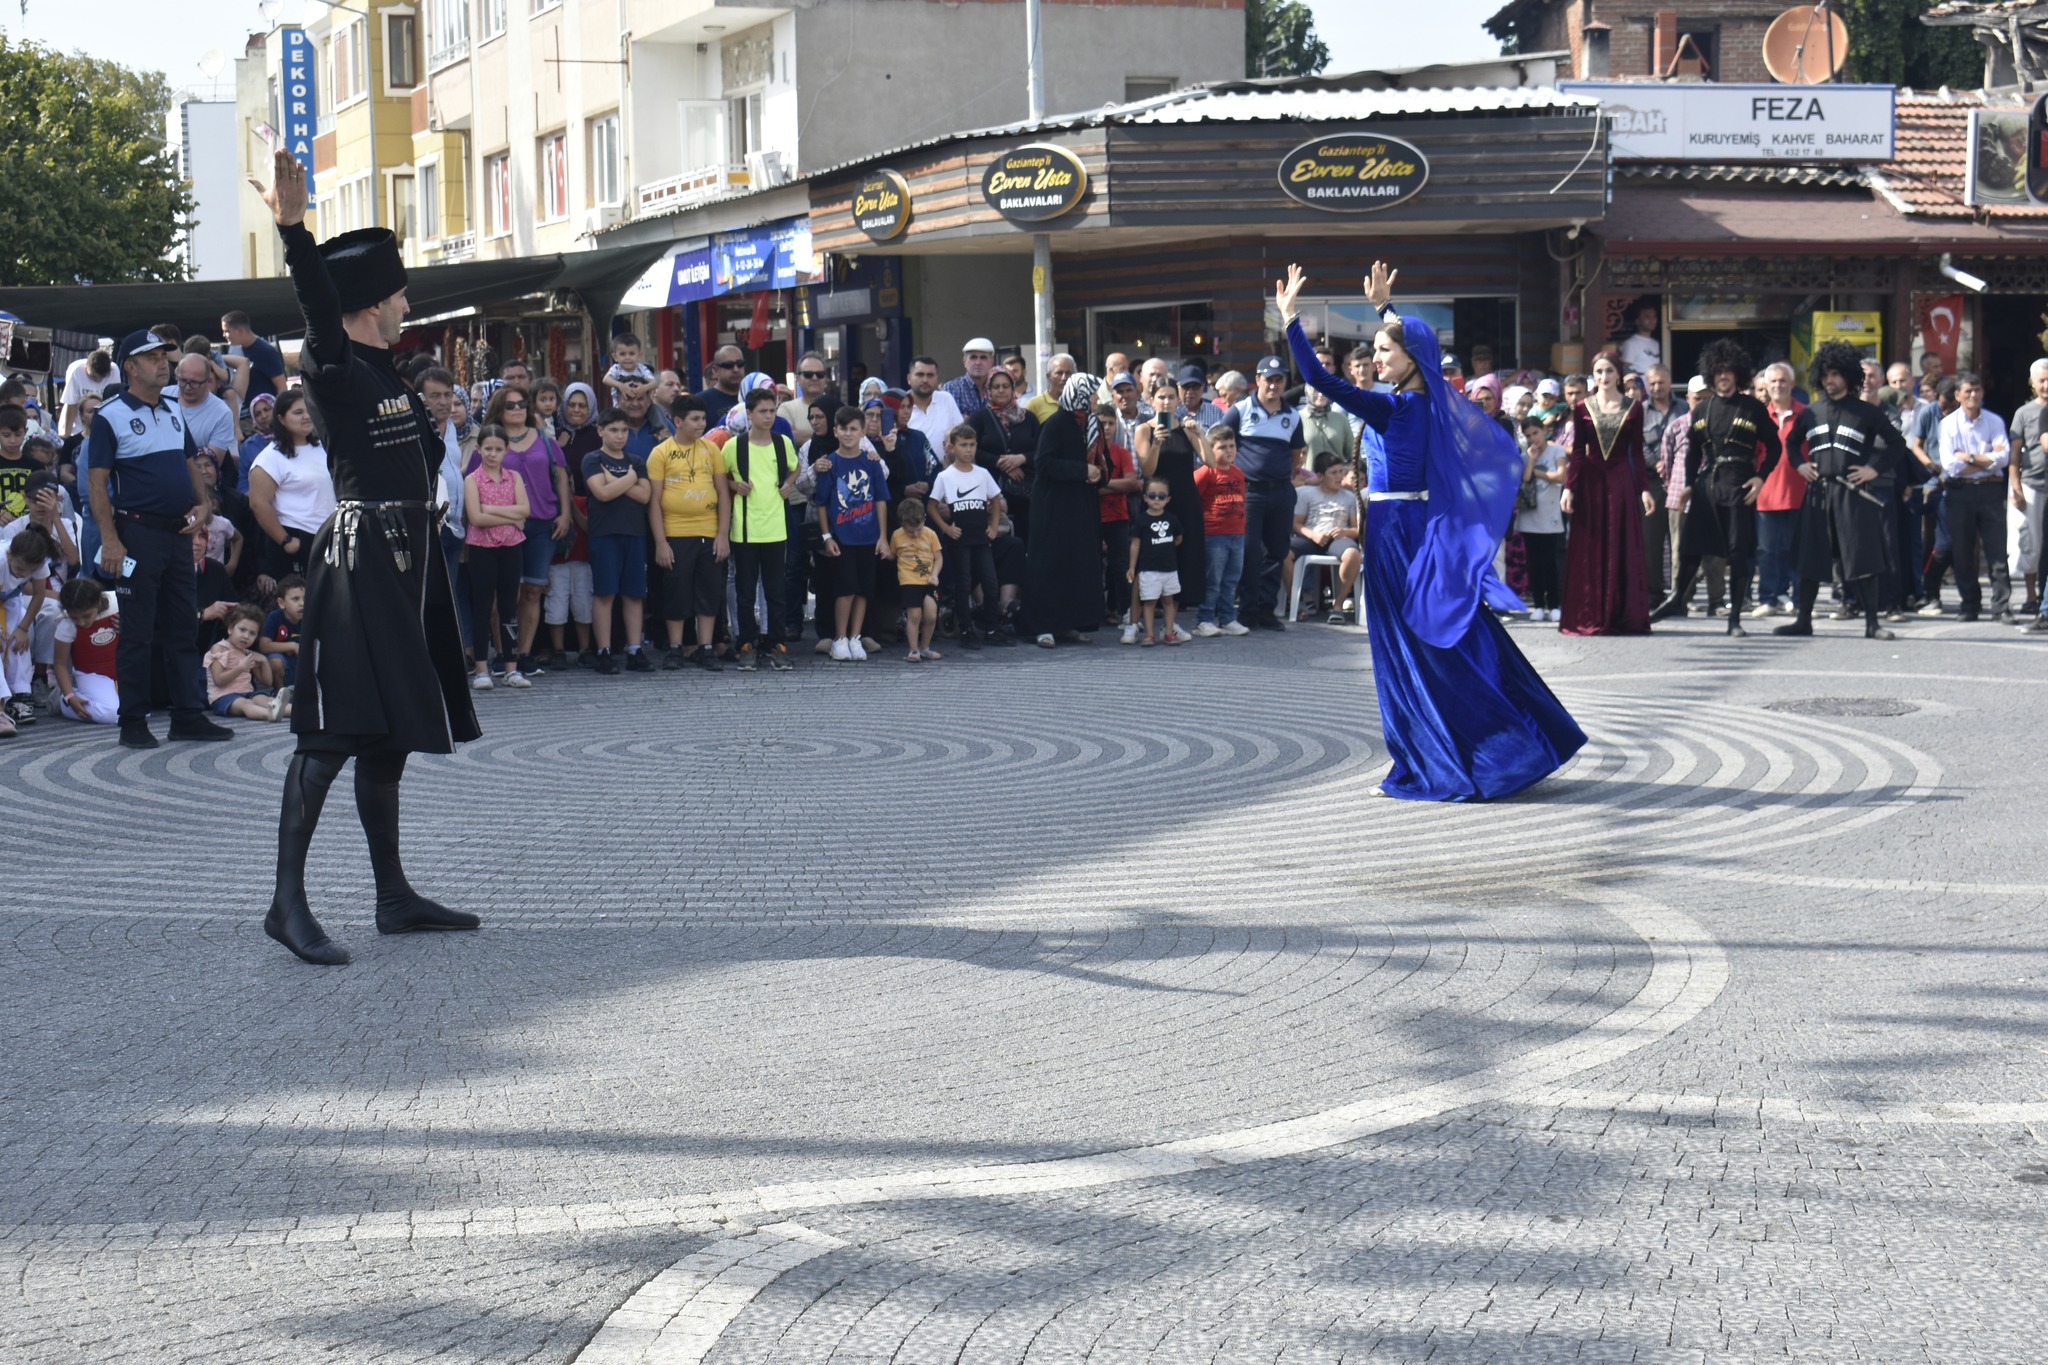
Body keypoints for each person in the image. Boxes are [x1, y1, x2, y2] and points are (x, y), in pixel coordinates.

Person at [255, 149, 480, 967]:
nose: (407, 307)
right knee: (335, 732)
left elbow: (422, 457)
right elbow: (319, 310)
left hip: (409, 563)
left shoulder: (390, 370)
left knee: (390, 735)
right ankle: (286, 905)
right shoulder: (335, 365)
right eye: (399, 297)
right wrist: (294, 231)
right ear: (371, 305)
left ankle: (393, 897)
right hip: (359, 565)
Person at [1278, 261, 1585, 801]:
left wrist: (1290, 323)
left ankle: (1434, 761)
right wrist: (1385, 309)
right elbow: (1410, 346)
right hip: (1415, 528)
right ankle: (1510, 742)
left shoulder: (1396, 409)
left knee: (1405, 650)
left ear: (1410, 358)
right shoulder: (1435, 401)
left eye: (1383, 351)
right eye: (1375, 351)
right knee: (1451, 639)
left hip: (1396, 533)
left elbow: (1321, 380)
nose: (1374, 360)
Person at [83, 329, 230, 750]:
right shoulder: (109, 415)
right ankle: (133, 720)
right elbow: (97, 484)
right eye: (151, 357)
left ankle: (187, 715)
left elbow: (189, 462)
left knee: (183, 626)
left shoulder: (172, 408)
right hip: (138, 533)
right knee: (138, 631)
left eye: (164, 355)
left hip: (177, 533)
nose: (162, 362)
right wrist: (111, 540)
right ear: (129, 367)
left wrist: (203, 503)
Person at [1771, 342, 1908, 641]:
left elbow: (1897, 444)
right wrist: (1799, 465)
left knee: (1863, 557)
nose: (1829, 380)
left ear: (1847, 375)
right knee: (1809, 557)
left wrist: (1873, 470)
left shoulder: (1867, 413)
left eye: (1835, 374)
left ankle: (1872, 624)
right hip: (1818, 494)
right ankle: (1803, 620)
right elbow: (1791, 443)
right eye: (1825, 374)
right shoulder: (1811, 412)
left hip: (1853, 494)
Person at [1652, 340, 1782, 636]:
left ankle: (1734, 618)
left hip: (1738, 484)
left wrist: (1761, 477)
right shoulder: (1702, 410)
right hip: (1706, 486)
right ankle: (1676, 599)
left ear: (1737, 374)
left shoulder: (1752, 408)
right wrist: (1688, 485)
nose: (1723, 376)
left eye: (1728, 371)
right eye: (1718, 371)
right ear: (1711, 374)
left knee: (1737, 553)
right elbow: (1692, 452)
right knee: (1690, 548)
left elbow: (1774, 447)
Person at [1558, 355, 1656, 636]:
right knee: (1591, 546)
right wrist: (1569, 487)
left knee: (1620, 543)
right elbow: (1578, 451)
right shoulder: (1582, 407)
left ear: (1618, 374)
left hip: (1621, 481)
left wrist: (1643, 489)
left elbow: (1636, 453)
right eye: (1599, 371)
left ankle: (1621, 614)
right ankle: (1589, 612)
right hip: (1591, 482)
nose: (1604, 376)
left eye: (1609, 371)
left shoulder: (1634, 408)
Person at [1221, 356, 1306, 631]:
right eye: (1269, 379)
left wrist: (1284, 478)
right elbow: (1219, 442)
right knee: (1249, 553)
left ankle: (1266, 610)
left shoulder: (1293, 415)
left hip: (1280, 491)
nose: (1273, 385)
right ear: (1257, 380)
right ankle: (1247, 610)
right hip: (1249, 492)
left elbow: (1296, 454)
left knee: (1277, 551)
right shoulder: (1240, 410)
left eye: (1279, 380)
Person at [722, 387, 803, 672]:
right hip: (744, 529)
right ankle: (746, 643)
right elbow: (719, 477)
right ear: (749, 414)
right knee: (745, 592)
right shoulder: (734, 446)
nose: (769, 416)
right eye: (763, 411)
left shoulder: (782, 442)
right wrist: (734, 484)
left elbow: (795, 468)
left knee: (776, 592)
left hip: (776, 528)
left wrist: (788, 484)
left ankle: (778, 644)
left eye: (772, 411)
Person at [646, 395, 729, 672]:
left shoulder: (712, 450)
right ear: (678, 421)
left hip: (708, 532)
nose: (701, 424)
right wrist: (660, 542)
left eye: (703, 418)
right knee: (676, 592)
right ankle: (675, 648)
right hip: (676, 533)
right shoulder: (661, 453)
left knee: (709, 592)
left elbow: (722, 493)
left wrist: (722, 535)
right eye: (695, 419)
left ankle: (705, 648)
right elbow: (654, 501)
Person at [1026, 374, 1109, 648]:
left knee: (1078, 562)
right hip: (1053, 508)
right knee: (1050, 563)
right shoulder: (1056, 424)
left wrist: (1099, 473)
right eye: (1093, 393)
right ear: (1080, 395)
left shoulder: (1091, 424)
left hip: (1082, 507)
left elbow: (1103, 462)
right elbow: (1044, 463)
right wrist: (1082, 470)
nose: (1097, 399)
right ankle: (1043, 625)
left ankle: (1070, 623)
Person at [817, 405, 893, 660]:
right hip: (842, 539)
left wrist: (883, 537)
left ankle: (855, 637)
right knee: (845, 589)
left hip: (869, 538)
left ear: (862, 432)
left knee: (864, 590)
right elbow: (821, 503)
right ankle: (839, 638)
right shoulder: (830, 464)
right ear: (835, 431)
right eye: (844, 429)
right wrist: (827, 536)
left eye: (853, 429)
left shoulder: (872, 463)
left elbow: (881, 500)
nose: (848, 433)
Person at [582, 407, 654, 672]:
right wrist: (630, 479)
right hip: (604, 534)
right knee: (605, 593)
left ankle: (635, 649)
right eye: (613, 430)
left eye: (624, 430)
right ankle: (604, 651)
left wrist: (615, 480)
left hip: (634, 533)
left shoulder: (636, 461)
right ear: (601, 431)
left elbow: (645, 496)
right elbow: (602, 493)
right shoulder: (592, 459)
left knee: (634, 594)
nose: (620, 435)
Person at [1939, 370, 2014, 623]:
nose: (1973, 395)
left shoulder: (1994, 421)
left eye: (1977, 390)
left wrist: (1969, 457)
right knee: (1962, 551)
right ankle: (1969, 604)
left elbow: (2003, 458)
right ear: (1958, 395)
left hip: (1990, 490)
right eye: (1968, 391)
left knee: (1996, 550)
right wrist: (1987, 460)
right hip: (1960, 491)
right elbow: (1950, 465)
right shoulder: (1948, 424)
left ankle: (2001, 606)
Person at [927, 424, 1007, 650]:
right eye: (963, 445)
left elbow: (996, 500)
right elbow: (931, 506)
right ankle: (965, 629)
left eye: (972, 445)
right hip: (959, 539)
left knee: (990, 583)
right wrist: (946, 528)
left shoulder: (982, 473)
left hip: (981, 538)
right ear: (952, 447)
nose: (968, 450)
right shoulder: (945, 476)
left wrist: (993, 527)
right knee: (963, 583)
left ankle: (992, 628)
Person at [463, 424, 531, 687]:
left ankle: (511, 667)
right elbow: (476, 517)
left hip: (511, 546)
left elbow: (525, 510)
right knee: (482, 606)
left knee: (508, 606)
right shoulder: (472, 480)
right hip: (482, 547)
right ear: (478, 449)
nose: (492, 454)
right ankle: (482, 669)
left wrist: (490, 509)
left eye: (498, 449)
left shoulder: (514, 477)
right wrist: (510, 516)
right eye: (488, 448)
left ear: (506, 450)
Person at [248, 391, 337, 581]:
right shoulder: (270, 458)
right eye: (298, 412)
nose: (306, 416)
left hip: (331, 536)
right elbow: (258, 503)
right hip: (298, 539)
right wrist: (285, 540)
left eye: (308, 410)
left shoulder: (322, 447)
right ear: (281, 419)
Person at [1752, 362, 1808, 617]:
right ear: (1765, 385)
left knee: (1798, 551)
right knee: (1767, 552)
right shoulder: (1758, 417)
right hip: (1766, 495)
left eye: (1783, 380)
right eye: (1773, 381)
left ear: (1792, 384)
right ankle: (1768, 599)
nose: (1778, 385)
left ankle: (1801, 601)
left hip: (1800, 493)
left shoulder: (1806, 415)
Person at [967, 366, 1039, 543]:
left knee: (1029, 539)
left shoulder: (1028, 418)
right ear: (988, 390)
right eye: (996, 386)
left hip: (1026, 492)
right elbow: (969, 449)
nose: (1001, 390)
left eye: (1005, 386)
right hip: (992, 491)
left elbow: (1041, 451)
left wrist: (1021, 458)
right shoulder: (979, 418)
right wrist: (1000, 462)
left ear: (1013, 388)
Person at [1290, 452, 1363, 625]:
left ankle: (1338, 606)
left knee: (1353, 555)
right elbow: (1295, 524)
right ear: (1320, 476)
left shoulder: (1349, 497)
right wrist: (1313, 535)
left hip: (1337, 540)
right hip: (1312, 537)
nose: (1339, 477)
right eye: (1333, 473)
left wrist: (1345, 532)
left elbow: (1357, 530)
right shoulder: (1308, 495)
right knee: (1283, 552)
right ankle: (1296, 602)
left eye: (1341, 472)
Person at [1192, 422, 1248, 637]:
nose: (1229, 450)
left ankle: (1227, 618)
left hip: (1237, 534)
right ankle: (1204, 620)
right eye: (1222, 447)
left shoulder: (1238, 473)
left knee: (1231, 580)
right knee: (1212, 580)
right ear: (1210, 449)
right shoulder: (1205, 472)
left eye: (1232, 446)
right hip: (1214, 534)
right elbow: (1193, 499)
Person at [0, 525, 54, 731]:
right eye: (21, 570)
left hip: (10, 600)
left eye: (31, 571)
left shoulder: (38, 562)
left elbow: (39, 595)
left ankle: (20, 695)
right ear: (10, 554)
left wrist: (23, 629)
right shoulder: (1, 559)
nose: (26, 574)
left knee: (17, 642)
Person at [1515, 413, 1568, 622]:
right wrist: (1531, 460)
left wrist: (1538, 472)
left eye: (1535, 433)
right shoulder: (1525, 456)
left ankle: (1554, 604)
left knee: (1550, 561)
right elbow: (1526, 478)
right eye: (1528, 435)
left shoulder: (1557, 451)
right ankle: (1538, 604)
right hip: (1530, 516)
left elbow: (1561, 476)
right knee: (1534, 562)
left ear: (1544, 431)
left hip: (1551, 515)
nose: (1533, 438)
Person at [49, 575, 118, 724]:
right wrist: (69, 696)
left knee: (142, 711)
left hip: (123, 670)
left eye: (86, 616)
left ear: (98, 602)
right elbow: (60, 663)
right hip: (91, 675)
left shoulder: (120, 604)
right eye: (75, 617)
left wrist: (130, 626)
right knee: (112, 714)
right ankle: (63, 701)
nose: (81, 622)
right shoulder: (66, 624)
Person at [203, 604, 290, 721]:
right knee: (246, 704)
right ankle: (269, 714)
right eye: (242, 630)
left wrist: (264, 661)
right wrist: (241, 668)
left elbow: (267, 682)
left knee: (265, 699)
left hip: (247, 693)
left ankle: (301, 711)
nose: (246, 636)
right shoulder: (220, 648)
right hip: (223, 697)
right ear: (230, 629)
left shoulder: (247, 653)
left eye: (252, 633)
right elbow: (218, 680)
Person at [2011, 359, 2048, 629]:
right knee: (2032, 544)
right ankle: (2033, 598)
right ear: (2033, 383)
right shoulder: (2028, 413)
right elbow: (2014, 455)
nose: (2046, 385)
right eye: (2042, 380)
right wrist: (2016, 487)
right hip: (2033, 483)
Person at [1128, 476, 1183, 646]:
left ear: (1168, 499)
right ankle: (1149, 634)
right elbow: (1135, 544)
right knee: (1149, 602)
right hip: (1149, 569)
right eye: (1152, 496)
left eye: (1161, 496)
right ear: (1145, 498)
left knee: (1168, 601)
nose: (1157, 499)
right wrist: (1132, 567)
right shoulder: (1141, 520)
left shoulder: (1172, 519)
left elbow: (1179, 538)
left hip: (1169, 569)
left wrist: (1166, 547)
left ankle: (1168, 633)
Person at [891, 495, 943, 661]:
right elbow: (893, 555)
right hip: (909, 581)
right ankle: (913, 650)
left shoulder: (930, 535)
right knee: (914, 616)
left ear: (924, 520)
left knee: (931, 615)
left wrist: (934, 574)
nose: (914, 534)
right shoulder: (897, 536)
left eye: (918, 529)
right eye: (910, 531)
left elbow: (938, 558)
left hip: (928, 581)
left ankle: (925, 647)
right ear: (902, 525)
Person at [902, 356, 966, 453]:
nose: (925, 380)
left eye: (930, 375)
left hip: (945, 462)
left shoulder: (946, 399)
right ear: (909, 378)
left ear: (937, 378)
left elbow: (960, 433)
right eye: (920, 375)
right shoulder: (900, 405)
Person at [221, 311, 288, 398]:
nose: (224, 335)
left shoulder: (265, 351)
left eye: (227, 331)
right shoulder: (234, 349)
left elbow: (281, 386)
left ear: (240, 331)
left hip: (264, 404)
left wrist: (280, 406)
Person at [260, 574, 306, 689]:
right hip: (284, 661)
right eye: (295, 599)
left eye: (305, 598)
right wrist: (292, 646)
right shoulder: (274, 617)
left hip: (303, 661)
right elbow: (264, 646)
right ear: (281, 603)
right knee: (275, 661)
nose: (302, 603)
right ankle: (280, 692)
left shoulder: (310, 618)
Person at [58, 350, 118, 437]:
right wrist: (66, 434)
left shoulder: (114, 370)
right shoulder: (76, 371)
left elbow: (115, 405)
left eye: (103, 377)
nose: (98, 380)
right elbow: (71, 404)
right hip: (77, 427)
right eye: (94, 376)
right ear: (86, 366)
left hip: (102, 427)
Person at [941, 337, 995, 418]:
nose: (978, 363)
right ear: (964, 361)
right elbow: (948, 420)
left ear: (992, 361)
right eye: (973, 357)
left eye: (983, 358)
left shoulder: (997, 388)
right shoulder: (952, 388)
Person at [696, 344, 748, 426]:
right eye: (729, 365)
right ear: (716, 370)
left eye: (740, 364)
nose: (736, 369)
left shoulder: (753, 397)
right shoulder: (701, 401)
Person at [602, 331, 655, 407]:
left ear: (639, 355)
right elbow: (606, 380)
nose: (627, 357)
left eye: (632, 354)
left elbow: (654, 382)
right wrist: (620, 386)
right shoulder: (616, 369)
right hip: (619, 407)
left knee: (654, 409)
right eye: (622, 354)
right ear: (615, 357)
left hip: (641, 406)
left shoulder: (641, 369)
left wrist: (644, 388)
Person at [1024, 354, 1076, 422]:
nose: (1064, 378)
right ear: (1048, 376)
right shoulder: (1034, 405)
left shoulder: (1080, 404)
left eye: (1068, 373)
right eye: (1059, 373)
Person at [1617, 303, 1661, 376]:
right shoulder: (1631, 344)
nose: (1652, 320)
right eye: (1647, 317)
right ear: (1637, 321)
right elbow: (1625, 369)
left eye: (1654, 317)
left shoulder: (1656, 343)